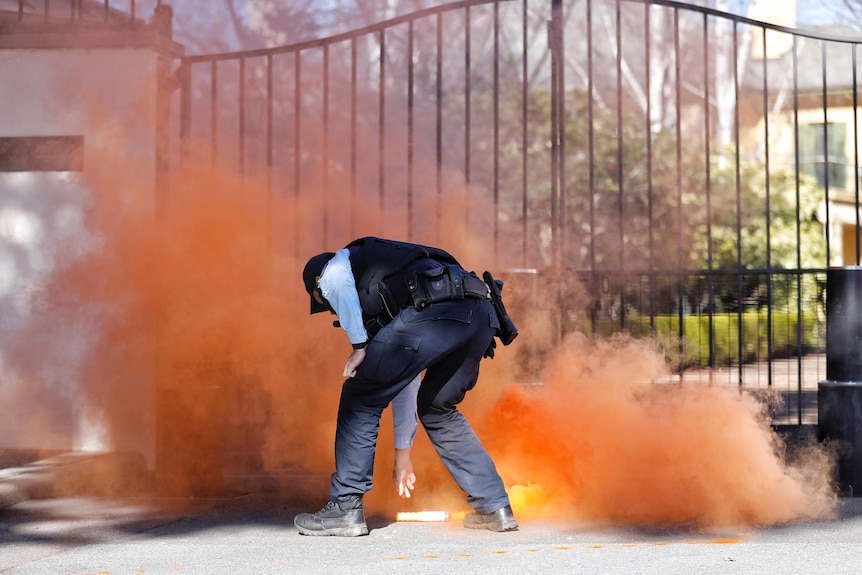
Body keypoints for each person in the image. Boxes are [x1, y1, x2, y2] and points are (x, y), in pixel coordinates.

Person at [294, 236, 517, 536]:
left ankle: (345, 508)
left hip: (440, 307)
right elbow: (404, 378)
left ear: (318, 283)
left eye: (324, 301)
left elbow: (333, 279)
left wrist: (359, 345)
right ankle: (495, 507)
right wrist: (402, 457)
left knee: (360, 396)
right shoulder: (389, 283)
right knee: (437, 408)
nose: (333, 312)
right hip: (479, 314)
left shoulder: (339, 266)